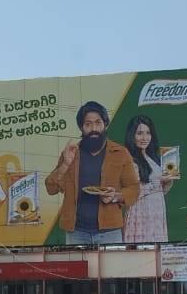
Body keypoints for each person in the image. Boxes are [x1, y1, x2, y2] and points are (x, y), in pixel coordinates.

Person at [45, 101, 140, 246]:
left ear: (105, 124)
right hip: (76, 232)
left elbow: (134, 189)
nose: (94, 128)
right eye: (88, 124)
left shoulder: (120, 153)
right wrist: (65, 164)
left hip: (110, 232)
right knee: (78, 269)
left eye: (98, 123)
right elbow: (50, 188)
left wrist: (115, 197)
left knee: (112, 269)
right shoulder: (71, 153)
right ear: (81, 127)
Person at [122, 114, 176, 243]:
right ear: (132, 135)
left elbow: (162, 191)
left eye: (148, 133)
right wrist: (155, 182)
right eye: (139, 133)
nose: (144, 138)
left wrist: (168, 181)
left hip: (157, 210)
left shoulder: (155, 158)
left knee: (157, 249)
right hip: (140, 211)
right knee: (139, 249)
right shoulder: (127, 158)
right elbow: (129, 191)